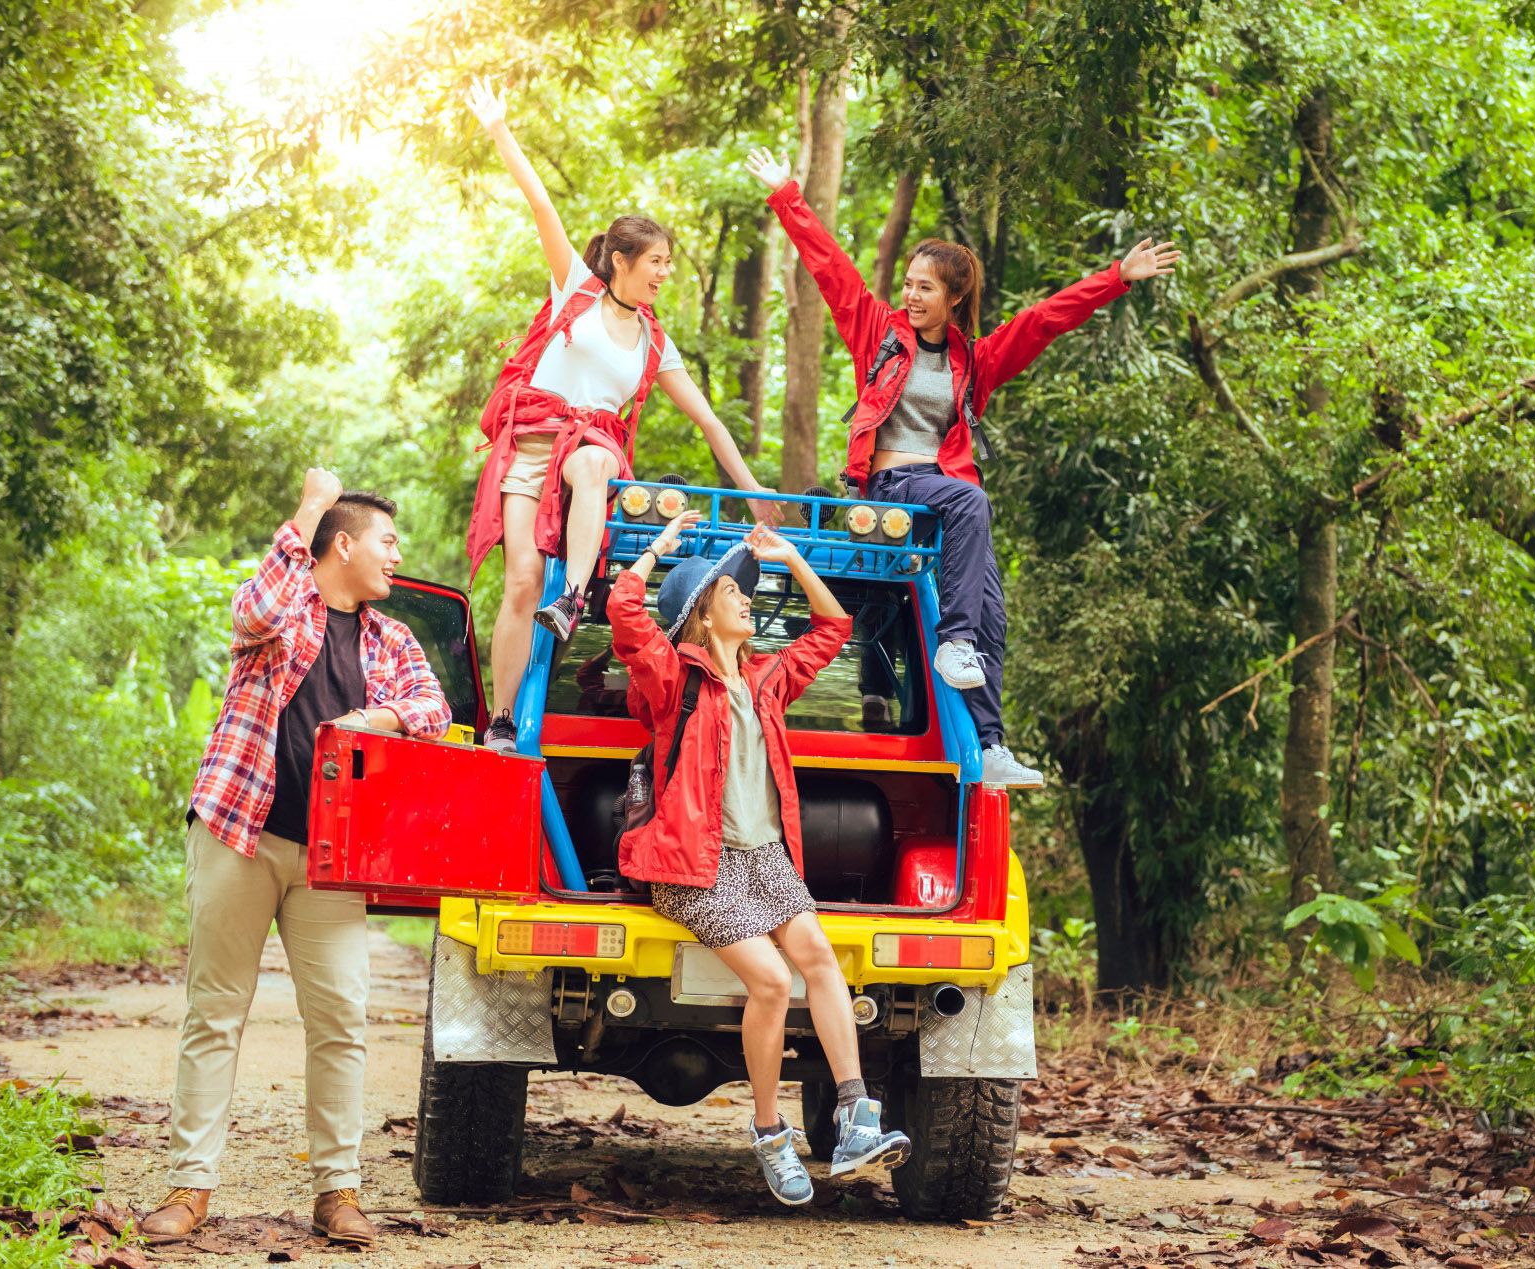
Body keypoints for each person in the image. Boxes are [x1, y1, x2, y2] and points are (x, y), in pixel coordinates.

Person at [744, 147, 1179, 787]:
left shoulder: (973, 361)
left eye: (926, 288)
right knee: (972, 510)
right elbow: (830, 269)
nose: (912, 295)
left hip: (946, 497)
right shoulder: (878, 335)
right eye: (910, 284)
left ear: (954, 298)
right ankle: (953, 642)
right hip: (896, 488)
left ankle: (990, 746)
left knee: (993, 614)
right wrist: (788, 196)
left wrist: (1116, 277)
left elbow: (1043, 321)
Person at [144, 471, 452, 1246]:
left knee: (341, 1018)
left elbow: (434, 710)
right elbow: (253, 607)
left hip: (330, 857)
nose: (397, 554)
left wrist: (376, 715)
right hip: (236, 832)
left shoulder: (392, 640)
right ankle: (190, 1185)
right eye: (386, 540)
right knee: (214, 1012)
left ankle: (337, 1191)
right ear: (341, 544)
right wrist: (311, 506)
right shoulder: (286, 611)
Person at [462, 78, 779, 754]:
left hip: (585, 452)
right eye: (656, 262)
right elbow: (541, 203)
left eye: (668, 263)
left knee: (599, 457)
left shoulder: (655, 342)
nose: (664, 273)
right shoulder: (576, 292)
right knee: (519, 580)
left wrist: (756, 498)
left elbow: (711, 423)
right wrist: (497, 127)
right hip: (530, 445)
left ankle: (573, 594)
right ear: (622, 262)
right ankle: (503, 719)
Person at [607, 510, 911, 1205]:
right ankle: (770, 1134)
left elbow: (832, 630)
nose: (747, 597)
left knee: (821, 962)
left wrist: (794, 558)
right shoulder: (671, 677)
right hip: (691, 864)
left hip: (765, 857)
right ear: (701, 615)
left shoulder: (768, 678)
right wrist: (658, 547)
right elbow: (625, 611)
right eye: (731, 592)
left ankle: (856, 1116)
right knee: (773, 983)